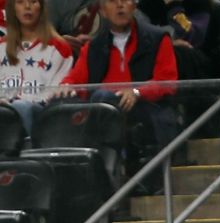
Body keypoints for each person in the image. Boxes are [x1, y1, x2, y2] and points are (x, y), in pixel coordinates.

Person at [62, 0, 178, 165]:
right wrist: (65, 87)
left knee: (102, 98)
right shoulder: (93, 47)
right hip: (105, 113)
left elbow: (168, 82)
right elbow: (75, 79)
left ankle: (109, 166)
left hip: (146, 114)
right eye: (112, 1)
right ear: (102, 11)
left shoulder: (158, 39)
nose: (119, 5)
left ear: (134, 6)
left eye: (125, 0)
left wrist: (137, 92)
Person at [0, 0, 75, 138]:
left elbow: (58, 93)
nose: (27, 7)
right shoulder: (1, 46)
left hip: (41, 113)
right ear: (12, 8)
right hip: (3, 112)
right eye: (21, 2)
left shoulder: (59, 48)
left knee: (21, 106)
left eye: (33, 2)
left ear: (41, 8)